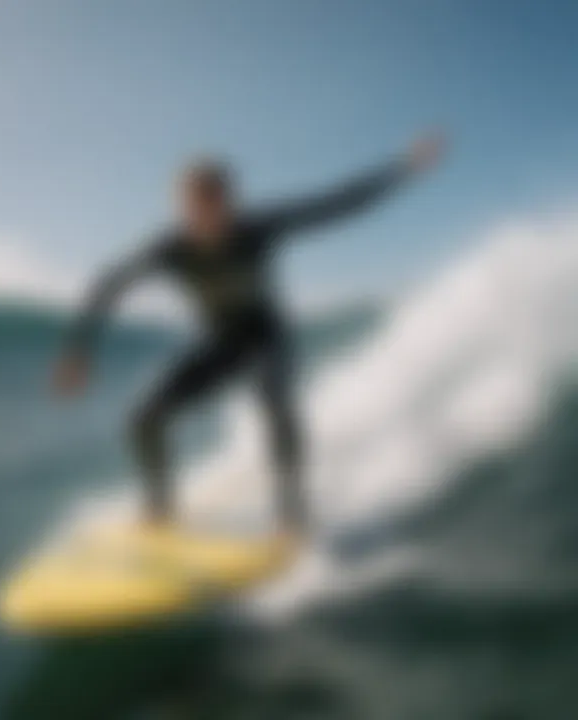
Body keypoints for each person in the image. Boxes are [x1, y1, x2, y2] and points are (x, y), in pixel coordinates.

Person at [53, 130, 447, 536]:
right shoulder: (169, 248)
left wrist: (401, 169)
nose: (205, 216)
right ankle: (161, 504)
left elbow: (333, 204)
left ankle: (292, 504)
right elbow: (108, 283)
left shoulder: (256, 229)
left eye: (214, 203)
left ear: (229, 201)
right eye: (193, 206)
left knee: (273, 400)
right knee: (143, 420)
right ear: (181, 207)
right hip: (220, 341)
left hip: (266, 336)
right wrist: (78, 352)